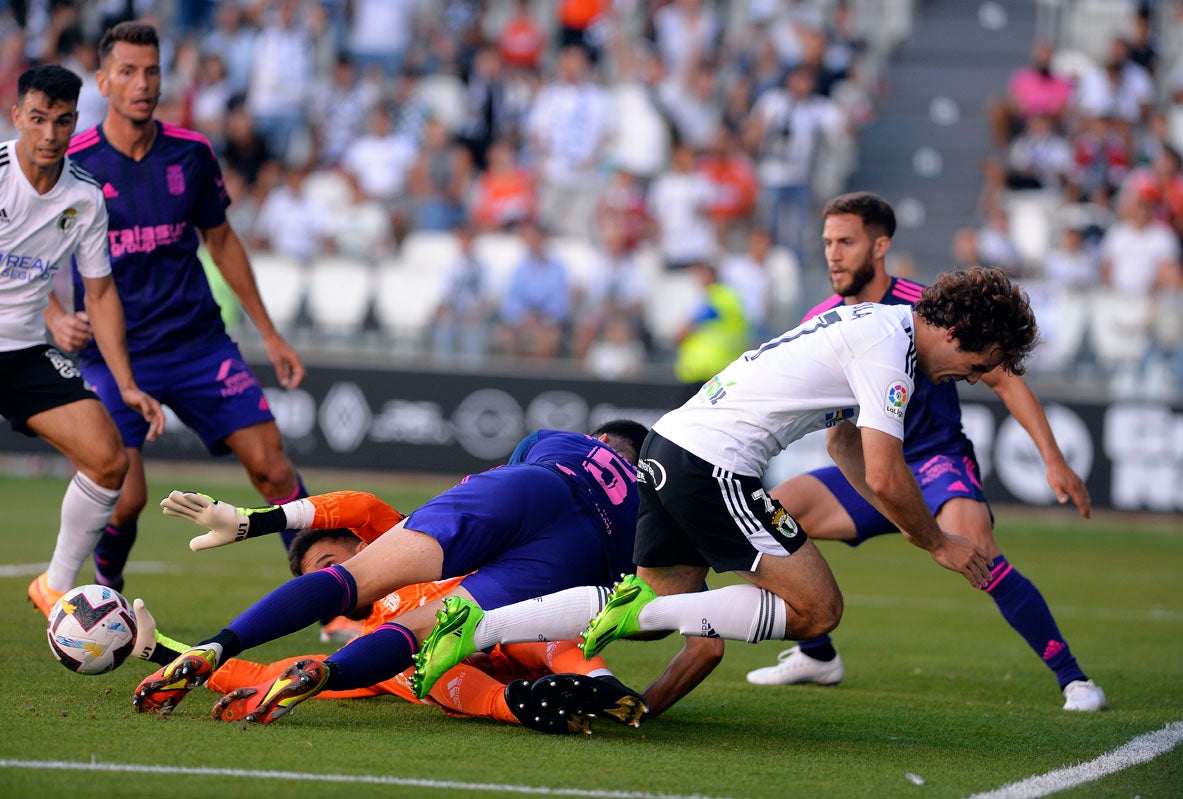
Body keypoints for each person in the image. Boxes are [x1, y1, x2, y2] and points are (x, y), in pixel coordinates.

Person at [415, 265, 1039, 718]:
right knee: (818, 611)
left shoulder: (872, 326)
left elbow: (843, 446)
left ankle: (475, 623)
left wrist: (904, 524)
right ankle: (623, 611)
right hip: (713, 465)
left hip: (670, 448)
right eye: (984, 364)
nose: (979, 380)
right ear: (959, 330)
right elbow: (885, 469)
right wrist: (939, 544)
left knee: (660, 614)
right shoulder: (891, 348)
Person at [738, 191, 1105, 712]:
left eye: (846, 241)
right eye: (826, 243)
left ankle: (1074, 678)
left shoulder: (929, 309)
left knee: (977, 549)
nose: (833, 254)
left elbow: (1003, 378)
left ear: (880, 245)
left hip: (935, 460)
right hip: (867, 464)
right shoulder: (822, 316)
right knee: (770, 518)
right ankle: (817, 654)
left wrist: (1052, 458)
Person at [133, 421, 650, 727]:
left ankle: (218, 644)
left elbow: (360, 504)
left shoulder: (561, 440)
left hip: (524, 495)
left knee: (361, 596)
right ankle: (574, 688)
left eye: (326, 557)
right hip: (568, 562)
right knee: (440, 640)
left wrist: (257, 521)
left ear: (598, 438)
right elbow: (638, 604)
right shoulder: (650, 507)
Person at [44, 23, 311, 601]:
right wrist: (54, 316)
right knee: (127, 495)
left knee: (272, 468)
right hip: (115, 354)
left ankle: (332, 595)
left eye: (152, 71)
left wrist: (270, 334)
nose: (142, 84)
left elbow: (222, 241)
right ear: (104, 81)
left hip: (197, 344)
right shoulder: (76, 164)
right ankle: (105, 587)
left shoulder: (191, 153)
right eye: (129, 72)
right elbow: (24, 247)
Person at [0, 64, 163, 614]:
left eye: (62, 122)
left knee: (108, 459)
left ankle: (54, 587)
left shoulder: (86, 197)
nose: (49, 134)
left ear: (75, 124)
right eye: (38, 119)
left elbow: (99, 295)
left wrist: (126, 382)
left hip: (22, 354)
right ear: (17, 115)